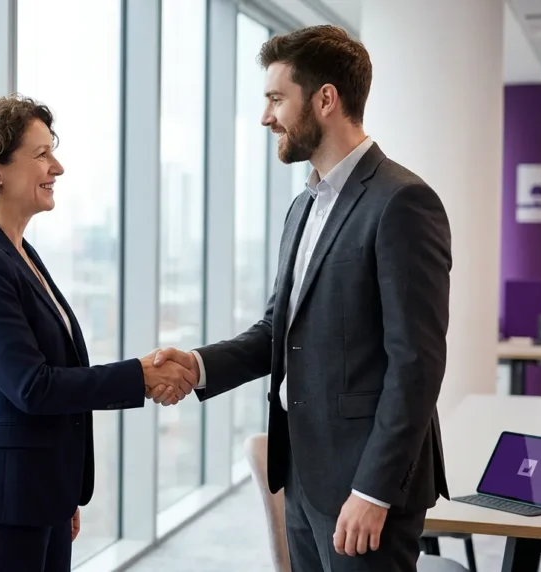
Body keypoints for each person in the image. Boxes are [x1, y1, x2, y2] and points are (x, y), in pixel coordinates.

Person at [153, 25, 451, 572]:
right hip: (304, 476)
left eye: (275, 98)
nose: (266, 117)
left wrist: (374, 492)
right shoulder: (304, 206)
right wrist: (196, 366)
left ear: (326, 99)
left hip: (364, 488)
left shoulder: (402, 202)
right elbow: (277, 330)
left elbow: (417, 364)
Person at [0, 94, 194, 572]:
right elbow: (32, 386)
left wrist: (58, 491)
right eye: (41, 154)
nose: (58, 167)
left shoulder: (17, 251)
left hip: (35, 494)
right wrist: (138, 375)